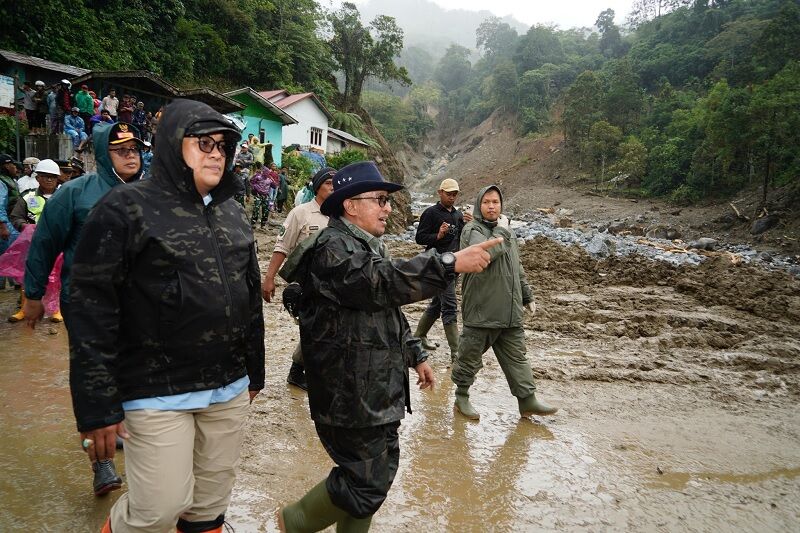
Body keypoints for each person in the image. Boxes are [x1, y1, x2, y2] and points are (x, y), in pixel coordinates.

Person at [67, 99, 264, 533]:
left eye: (224, 145)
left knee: (208, 507)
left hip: (227, 386)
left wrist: (255, 371)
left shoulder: (232, 212)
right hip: (155, 387)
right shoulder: (126, 208)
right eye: (204, 143)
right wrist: (97, 404)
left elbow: (249, 294)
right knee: (157, 510)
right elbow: (89, 306)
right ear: (175, 145)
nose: (217, 154)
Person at [277, 161, 502, 532]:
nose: (388, 208)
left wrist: (415, 354)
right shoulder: (332, 248)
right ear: (349, 205)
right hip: (347, 391)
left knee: (372, 474)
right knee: (367, 481)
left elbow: (386, 310)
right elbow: (380, 283)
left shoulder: (366, 245)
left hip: (374, 384)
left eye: (388, 200)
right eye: (380, 199)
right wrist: (448, 262)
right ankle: (295, 520)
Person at [22, 122, 145, 496]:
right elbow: (43, 243)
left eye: (134, 149)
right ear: (101, 153)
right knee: (94, 379)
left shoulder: (148, 195)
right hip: (88, 307)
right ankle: (101, 463)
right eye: (120, 149)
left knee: (133, 375)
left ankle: (123, 434)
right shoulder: (75, 194)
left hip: (137, 307)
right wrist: (33, 294)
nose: (130, 155)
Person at [451, 185, 558, 421]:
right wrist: (503, 231)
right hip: (482, 309)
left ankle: (527, 400)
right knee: (469, 356)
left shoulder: (506, 231)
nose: (492, 206)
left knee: (517, 357)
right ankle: (461, 396)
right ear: (479, 205)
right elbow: (485, 256)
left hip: (510, 311)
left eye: (496, 202)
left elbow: (516, 266)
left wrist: (527, 295)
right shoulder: (472, 230)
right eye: (487, 202)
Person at [262, 166, 335, 390]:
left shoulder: (342, 214)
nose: (333, 188)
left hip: (334, 284)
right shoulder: (300, 213)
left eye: (336, 184)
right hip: (305, 284)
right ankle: (298, 371)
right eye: (328, 184)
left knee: (327, 327)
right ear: (317, 187)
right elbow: (282, 246)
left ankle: (310, 371)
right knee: (315, 327)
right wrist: (269, 277)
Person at [413, 178, 472, 363]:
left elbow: (463, 237)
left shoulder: (458, 215)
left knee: (437, 304)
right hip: (437, 266)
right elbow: (420, 237)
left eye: (455, 194)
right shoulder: (430, 213)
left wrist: (469, 224)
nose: (452, 198)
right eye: (449, 194)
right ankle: (456, 352)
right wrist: (438, 235)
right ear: (440, 192)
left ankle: (418, 338)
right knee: (450, 306)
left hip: (454, 266)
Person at [7, 159, 61, 322]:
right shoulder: (27, 196)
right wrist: (25, 227)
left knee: (56, 276)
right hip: (32, 244)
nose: (49, 179)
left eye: (53, 176)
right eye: (45, 176)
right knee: (27, 276)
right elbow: (16, 217)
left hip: (58, 243)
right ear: (38, 178)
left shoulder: (66, 194)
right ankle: (24, 309)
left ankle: (56, 309)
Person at [0, 153, 21, 254]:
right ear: (7, 166)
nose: (16, 168)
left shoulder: (9, 180)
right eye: (14, 165)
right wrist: (3, 227)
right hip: (5, 226)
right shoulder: (1, 182)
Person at [250, 162, 271, 229]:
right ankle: (253, 222)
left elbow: (275, 185)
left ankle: (263, 224)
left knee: (266, 210)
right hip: (258, 195)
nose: (266, 173)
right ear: (263, 172)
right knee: (256, 209)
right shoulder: (258, 177)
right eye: (265, 172)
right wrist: (255, 187)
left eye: (267, 172)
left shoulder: (269, 179)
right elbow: (251, 182)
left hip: (266, 196)